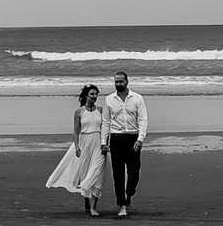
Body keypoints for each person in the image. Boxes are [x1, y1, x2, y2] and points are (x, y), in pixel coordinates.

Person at [44, 85, 109, 215]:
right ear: (86, 96)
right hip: (84, 142)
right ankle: (86, 199)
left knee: (97, 173)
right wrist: (77, 146)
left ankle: (93, 208)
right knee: (84, 173)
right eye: (92, 94)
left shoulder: (101, 110)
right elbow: (75, 131)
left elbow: (105, 129)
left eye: (96, 94)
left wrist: (105, 144)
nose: (95, 97)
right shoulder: (79, 112)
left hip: (98, 143)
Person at [99, 69, 147, 217]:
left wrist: (140, 139)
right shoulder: (109, 100)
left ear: (127, 82)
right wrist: (103, 142)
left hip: (133, 138)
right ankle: (122, 205)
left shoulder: (137, 98)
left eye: (121, 81)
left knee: (134, 172)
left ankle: (130, 192)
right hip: (116, 139)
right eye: (116, 81)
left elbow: (143, 120)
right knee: (118, 174)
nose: (118, 84)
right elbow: (106, 122)